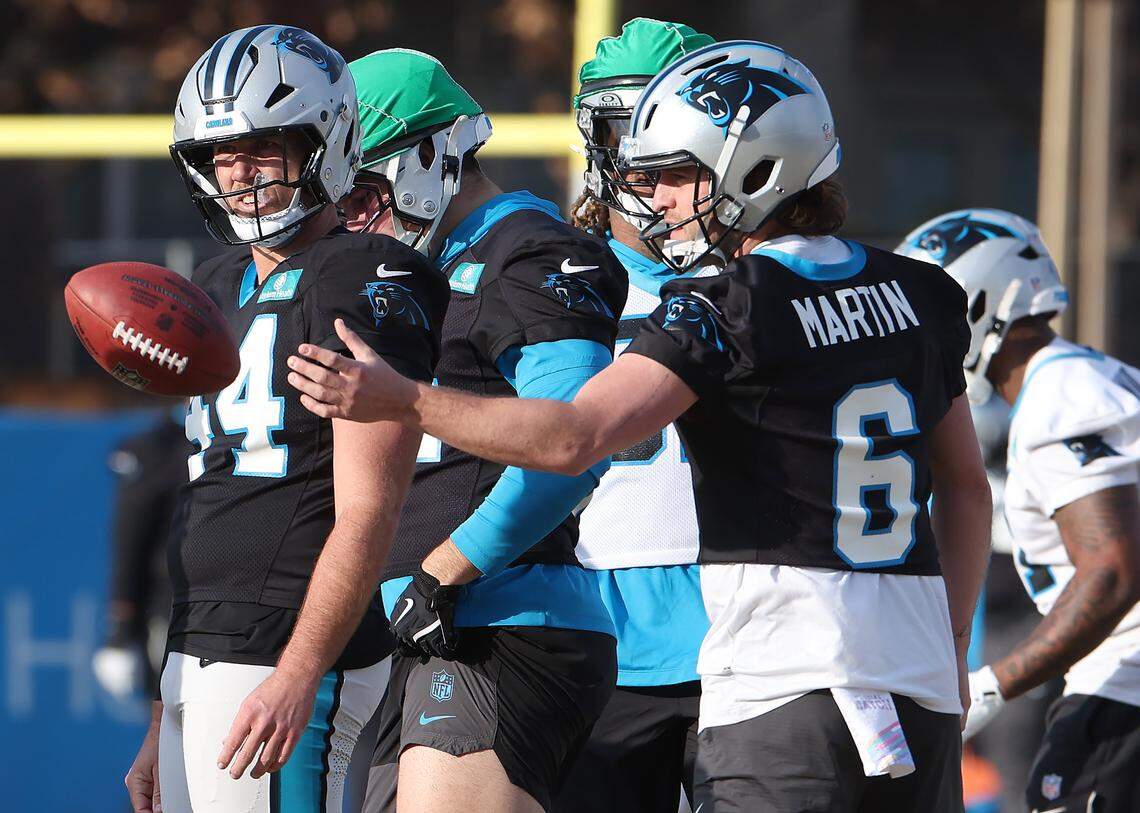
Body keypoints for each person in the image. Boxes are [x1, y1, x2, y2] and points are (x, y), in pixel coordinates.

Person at [288, 40, 992, 812]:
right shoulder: (921, 292)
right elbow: (965, 489)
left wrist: (406, 400)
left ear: (760, 167)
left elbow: (571, 439)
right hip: (917, 684)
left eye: (680, 176)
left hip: (783, 683)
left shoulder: (731, 303)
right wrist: (954, 643)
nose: (657, 200)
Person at [123, 25, 448, 813]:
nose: (239, 172)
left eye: (265, 146)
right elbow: (205, 499)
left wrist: (301, 671)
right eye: (221, 153)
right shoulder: (214, 279)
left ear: (326, 142)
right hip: (203, 646)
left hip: (283, 643)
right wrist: (166, 703)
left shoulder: (368, 269)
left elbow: (371, 505)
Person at [337, 50, 627, 813]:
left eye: (365, 192)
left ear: (432, 155)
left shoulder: (525, 252)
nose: (353, 221)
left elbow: (573, 441)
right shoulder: (418, 270)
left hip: (495, 624)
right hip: (424, 631)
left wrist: (442, 569)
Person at [899, 209, 1140, 813]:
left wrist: (993, 684)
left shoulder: (1061, 395)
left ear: (982, 303)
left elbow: (1112, 567)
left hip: (1124, 694)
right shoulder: (1093, 377)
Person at [554, 19, 714, 813]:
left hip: (749, 621)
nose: (652, 162)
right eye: (632, 130)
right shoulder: (546, 272)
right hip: (596, 626)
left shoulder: (768, 276)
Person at [93, 409, 183, 703]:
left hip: (249, 615)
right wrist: (120, 629)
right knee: (171, 724)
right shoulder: (155, 448)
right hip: (175, 614)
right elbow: (130, 537)